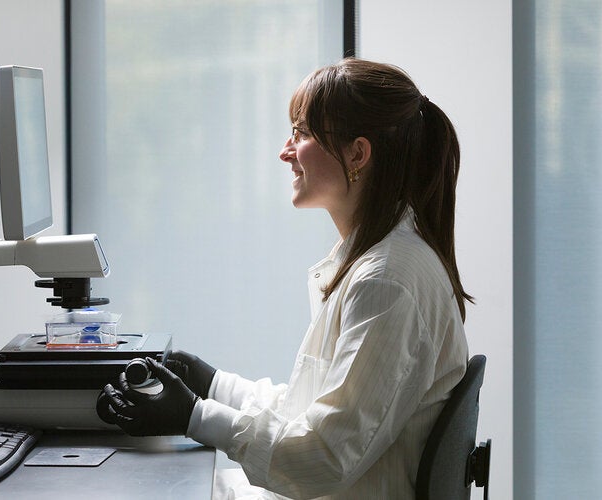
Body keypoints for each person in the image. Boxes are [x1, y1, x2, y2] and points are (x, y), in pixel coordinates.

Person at [97, 57, 472, 499]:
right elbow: (310, 414)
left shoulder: (387, 283)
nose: (285, 150)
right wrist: (212, 383)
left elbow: (322, 457)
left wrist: (194, 416)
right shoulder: (374, 261)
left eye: (302, 132)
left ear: (357, 153)